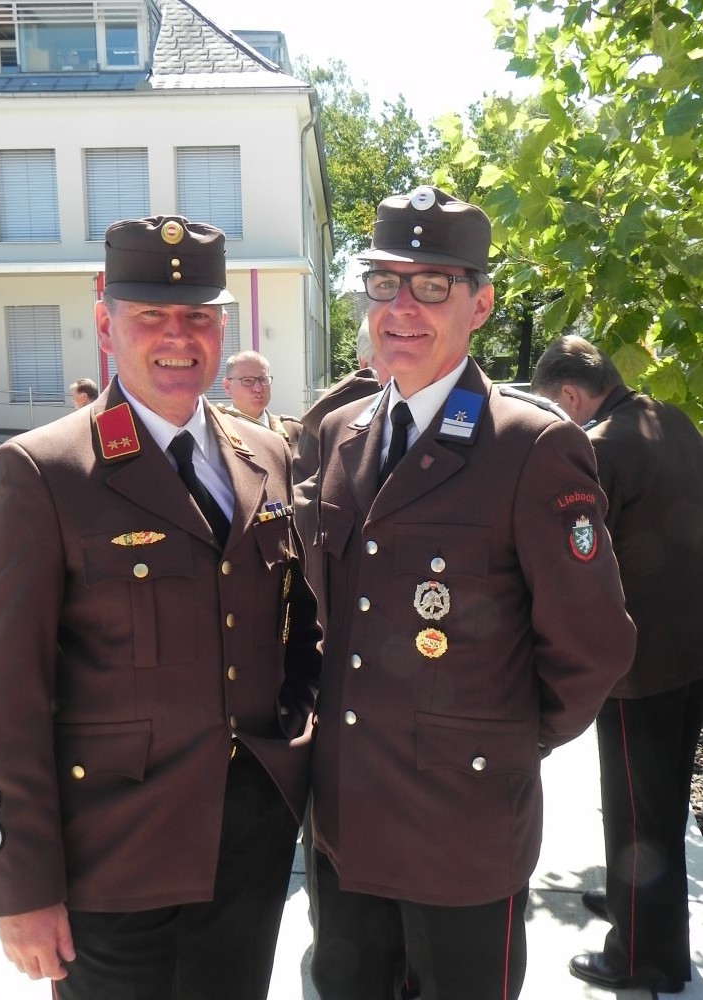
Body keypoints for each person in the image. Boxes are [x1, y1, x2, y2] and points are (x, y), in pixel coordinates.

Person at [0, 214, 321, 1000]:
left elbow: (298, 628)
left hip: (249, 847)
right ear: (105, 325)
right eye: (150, 314)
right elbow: (0, 701)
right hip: (113, 860)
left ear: (222, 329)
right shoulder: (44, 472)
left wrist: (291, 749)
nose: (177, 336)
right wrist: (18, 885)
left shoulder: (266, 454)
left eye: (199, 315)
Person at [307, 186, 637, 1000]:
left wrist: (500, 744)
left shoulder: (531, 447)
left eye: (432, 285)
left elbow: (593, 647)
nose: (401, 307)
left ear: (480, 305)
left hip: (463, 830)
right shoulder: (340, 433)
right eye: (385, 282)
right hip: (346, 825)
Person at [531, 334, 703, 995]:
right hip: (688, 647)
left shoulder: (599, 446)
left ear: (570, 395)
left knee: (637, 811)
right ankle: (639, 901)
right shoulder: (671, 418)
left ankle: (644, 955)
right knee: (659, 804)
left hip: (639, 664)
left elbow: (578, 563)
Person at [292, 315, 391, 487]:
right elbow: (301, 489)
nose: (405, 367)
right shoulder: (327, 418)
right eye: (390, 357)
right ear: (364, 363)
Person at [219, 350, 302, 453]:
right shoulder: (216, 431)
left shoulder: (294, 431)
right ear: (227, 386)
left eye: (263, 379)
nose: (258, 388)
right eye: (247, 380)